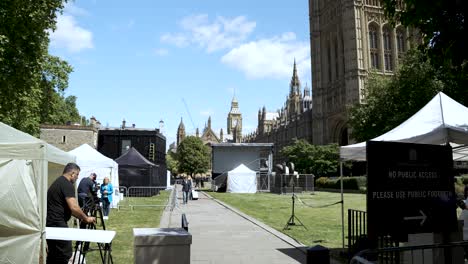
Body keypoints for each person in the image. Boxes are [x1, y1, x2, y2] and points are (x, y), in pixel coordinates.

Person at [46, 163, 96, 264]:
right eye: (77, 175)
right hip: (57, 224)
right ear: (72, 173)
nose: (77, 178)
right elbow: (73, 207)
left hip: (51, 223)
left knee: (54, 254)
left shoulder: (58, 182)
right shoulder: (67, 184)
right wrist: (86, 218)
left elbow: (67, 208)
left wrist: (81, 215)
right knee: (64, 253)